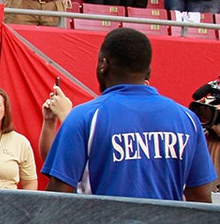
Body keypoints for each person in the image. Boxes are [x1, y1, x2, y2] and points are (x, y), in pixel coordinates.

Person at [43, 28, 215, 201]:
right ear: (148, 70)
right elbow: (200, 200)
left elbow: (57, 198)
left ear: (104, 65)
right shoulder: (187, 119)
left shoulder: (84, 117)